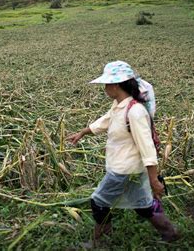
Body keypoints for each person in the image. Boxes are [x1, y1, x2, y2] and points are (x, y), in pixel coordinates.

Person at [67, 61, 179, 245]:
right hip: (130, 170)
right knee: (143, 207)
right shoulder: (119, 105)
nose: (104, 88)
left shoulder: (135, 112)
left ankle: (100, 240)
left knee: (98, 202)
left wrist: (153, 180)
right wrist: (82, 133)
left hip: (123, 170)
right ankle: (170, 233)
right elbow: (105, 120)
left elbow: (147, 147)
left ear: (117, 84)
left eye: (107, 84)